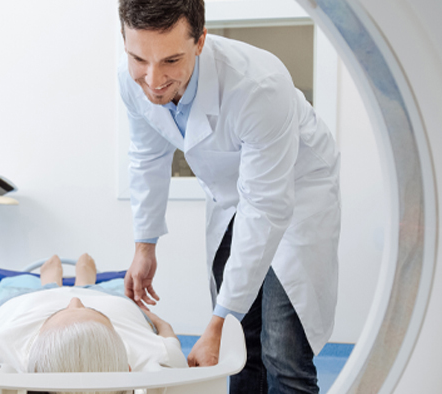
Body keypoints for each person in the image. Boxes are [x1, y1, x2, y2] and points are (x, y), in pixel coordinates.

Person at [118, 0, 341, 393]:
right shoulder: (130, 78)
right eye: (139, 59)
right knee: (242, 348)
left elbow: (265, 204)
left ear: (200, 40)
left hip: (297, 189)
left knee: (282, 350)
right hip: (229, 196)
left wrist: (218, 321)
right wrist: (145, 245)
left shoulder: (259, 84)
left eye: (171, 60)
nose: (153, 79)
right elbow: (147, 158)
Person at [0, 253, 188, 382]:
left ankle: (51, 278)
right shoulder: (161, 360)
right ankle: (86, 280)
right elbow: (164, 327)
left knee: (50, 273)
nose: (74, 301)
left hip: (32, 303)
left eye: (63, 311)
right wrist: (146, 316)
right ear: (128, 368)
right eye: (92, 312)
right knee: (87, 270)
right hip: (108, 300)